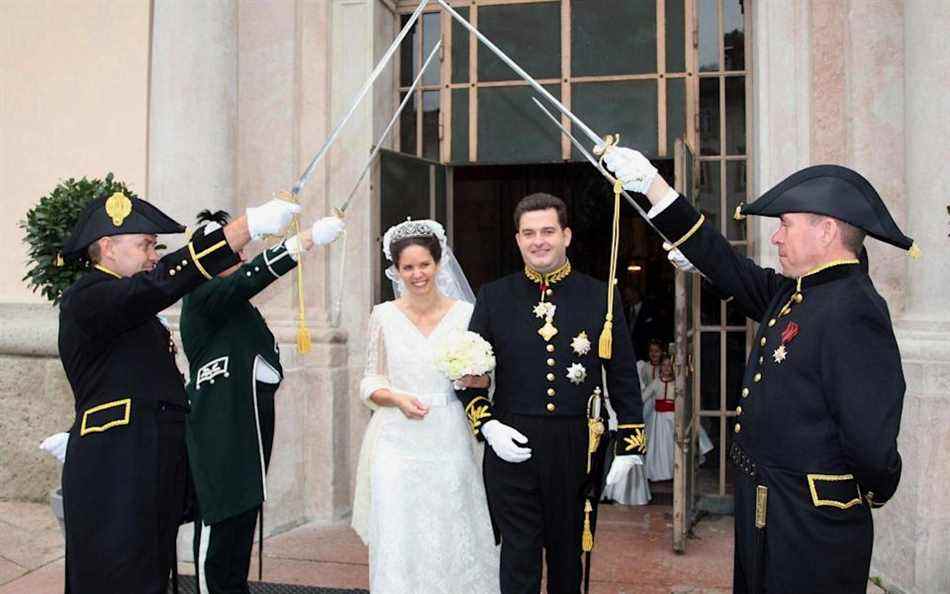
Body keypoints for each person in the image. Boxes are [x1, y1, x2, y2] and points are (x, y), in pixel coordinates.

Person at [604, 147, 909, 594]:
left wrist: (867, 491)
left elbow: (871, 441)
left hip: (811, 523)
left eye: (785, 225)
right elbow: (732, 270)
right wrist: (655, 188)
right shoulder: (800, 293)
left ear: (826, 231)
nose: (776, 239)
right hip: (768, 507)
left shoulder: (853, 308)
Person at [57, 190, 299, 593]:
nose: (154, 255)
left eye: (155, 247)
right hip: (117, 466)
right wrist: (244, 228)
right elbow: (158, 285)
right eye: (146, 244)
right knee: (116, 575)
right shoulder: (89, 295)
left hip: (147, 465)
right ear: (107, 248)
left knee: (148, 575)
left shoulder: (135, 312)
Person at [454, 193, 646, 594]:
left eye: (547, 231)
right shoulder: (494, 296)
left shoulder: (600, 297)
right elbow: (467, 371)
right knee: (518, 557)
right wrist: (486, 425)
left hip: (576, 447)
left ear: (566, 235)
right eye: (529, 233)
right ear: (518, 240)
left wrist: (630, 446)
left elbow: (624, 376)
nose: (538, 241)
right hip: (513, 444)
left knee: (566, 559)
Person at [181, 209, 344, 594]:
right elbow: (250, 278)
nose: (239, 258)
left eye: (238, 251)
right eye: (230, 251)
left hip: (247, 440)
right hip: (219, 437)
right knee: (218, 545)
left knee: (238, 538)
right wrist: (303, 241)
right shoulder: (203, 295)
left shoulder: (235, 305)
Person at [351, 219, 499, 594]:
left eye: (424, 265)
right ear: (396, 270)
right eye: (408, 267)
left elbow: (485, 379)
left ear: (439, 263)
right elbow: (370, 380)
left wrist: (477, 378)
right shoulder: (383, 315)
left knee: (453, 526)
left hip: (450, 433)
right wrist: (396, 398)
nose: (417, 274)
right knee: (400, 532)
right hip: (396, 441)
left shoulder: (466, 313)